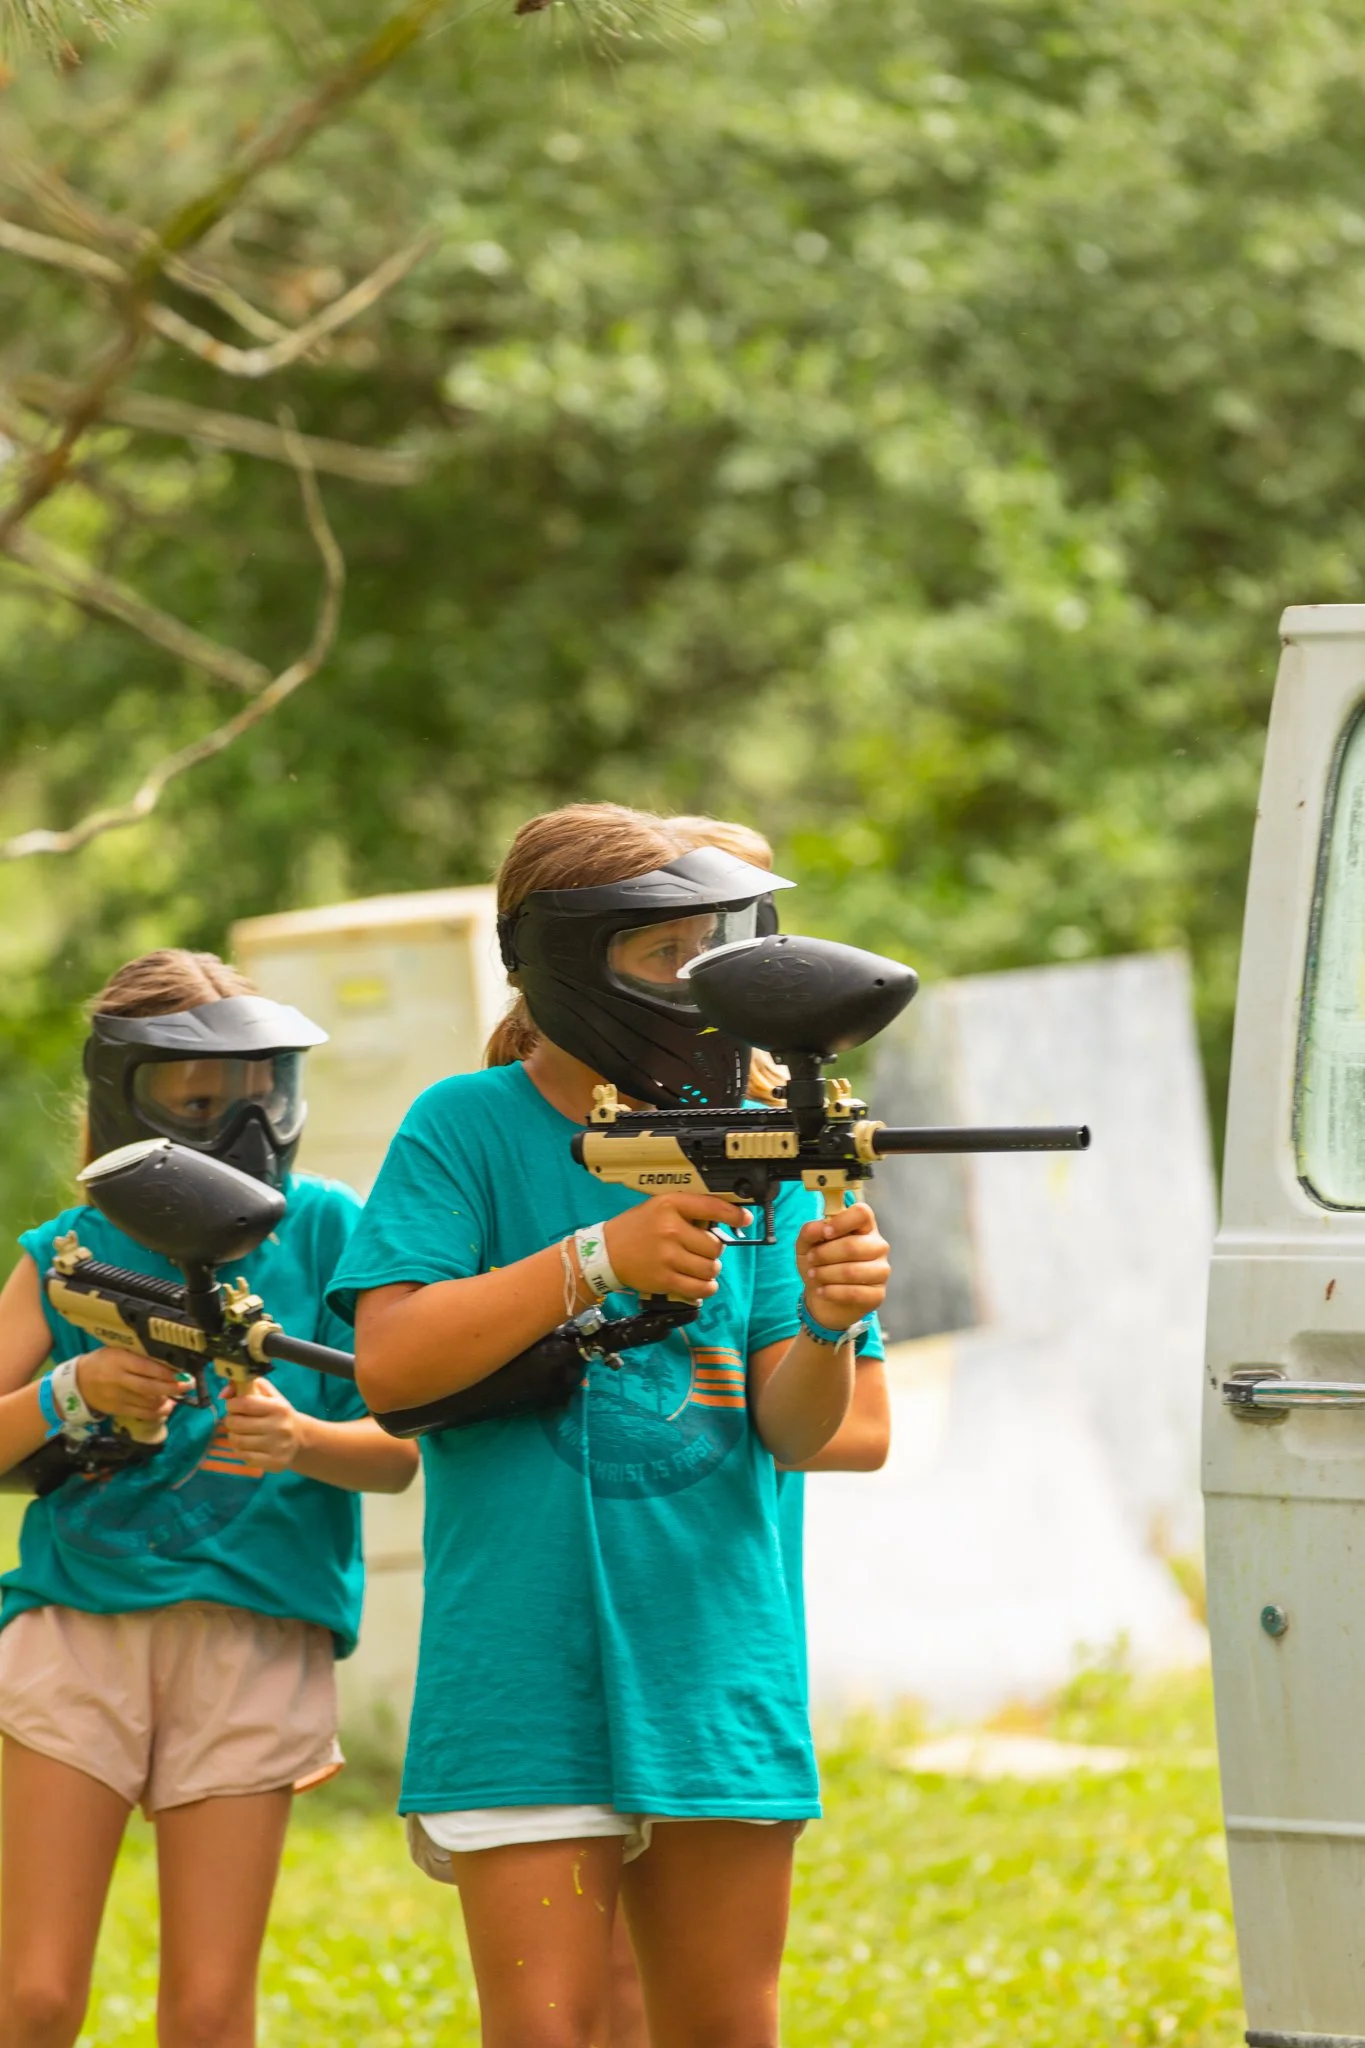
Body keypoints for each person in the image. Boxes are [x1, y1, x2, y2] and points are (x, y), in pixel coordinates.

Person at [332, 802, 893, 2048]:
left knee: (723, 2028)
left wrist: (827, 1321)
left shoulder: (765, 1143)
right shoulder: (464, 1126)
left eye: (716, 947)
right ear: (569, 957)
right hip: (520, 1670)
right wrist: (598, 1257)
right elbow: (391, 1365)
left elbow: (807, 1430)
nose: (701, 982)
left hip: (714, 1666)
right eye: (664, 951)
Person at [0, 948, 418, 2048]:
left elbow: (400, 1448)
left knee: (207, 2010)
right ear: (125, 1096)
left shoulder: (327, 1228)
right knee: (31, 1997)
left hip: (256, 1640)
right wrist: (71, 1391)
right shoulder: (70, 1251)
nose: (241, 1130)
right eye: (199, 1104)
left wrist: (301, 1439)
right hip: (78, 1629)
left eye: (259, 1099)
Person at [600, 815, 892, 2048]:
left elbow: (855, 1428)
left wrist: (820, 1319)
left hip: (715, 1624)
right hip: (562, 1622)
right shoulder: (546, 1126)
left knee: (708, 2003)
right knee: (597, 2002)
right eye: (681, 948)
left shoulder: (788, 1154)